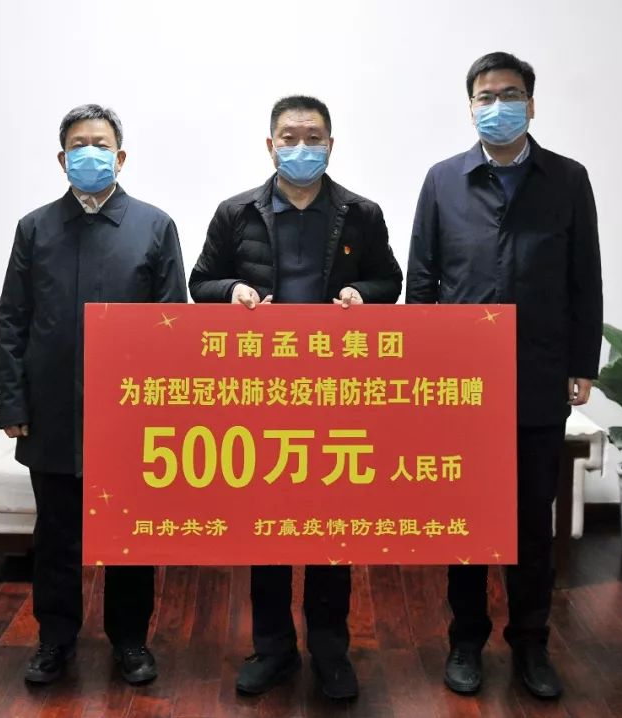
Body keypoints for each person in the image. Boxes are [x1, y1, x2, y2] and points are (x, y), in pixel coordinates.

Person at [189, 95, 403, 700]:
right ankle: (274, 648)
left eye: (313, 137)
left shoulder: (361, 214)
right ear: (270, 145)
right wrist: (231, 290)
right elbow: (199, 283)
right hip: (263, 395)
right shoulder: (236, 214)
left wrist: (363, 294)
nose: (301, 147)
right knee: (268, 529)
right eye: (290, 137)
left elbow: (392, 281)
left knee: (333, 528)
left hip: (336, 395)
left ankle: (331, 651)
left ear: (331, 146)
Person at [406, 52, 603, 699]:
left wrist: (582, 364)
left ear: (532, 104)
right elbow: (422, 280)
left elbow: (585, 278)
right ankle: (465, 640)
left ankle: (530, 644)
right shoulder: (443, 181)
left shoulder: (567, 179)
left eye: (510, 94)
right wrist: (421, 367)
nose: (498, 106)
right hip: (461, 382)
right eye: (485, 96)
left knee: (530, 521)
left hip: (538, 374)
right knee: (464, 517)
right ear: (470, 108)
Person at [0, 104, 187, 686]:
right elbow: (13, 319)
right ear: (62, 159)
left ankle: (130, 640)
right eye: (78, 145)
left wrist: (165, 409)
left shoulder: (154, 226)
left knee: (129, 533)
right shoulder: (35, 228)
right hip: (52, 410)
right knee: (55, 534)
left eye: (101, 144)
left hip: (129, 414)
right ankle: (54, 639)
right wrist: (13, 403)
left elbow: (172, 323)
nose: (90, 154)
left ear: (120, 156)